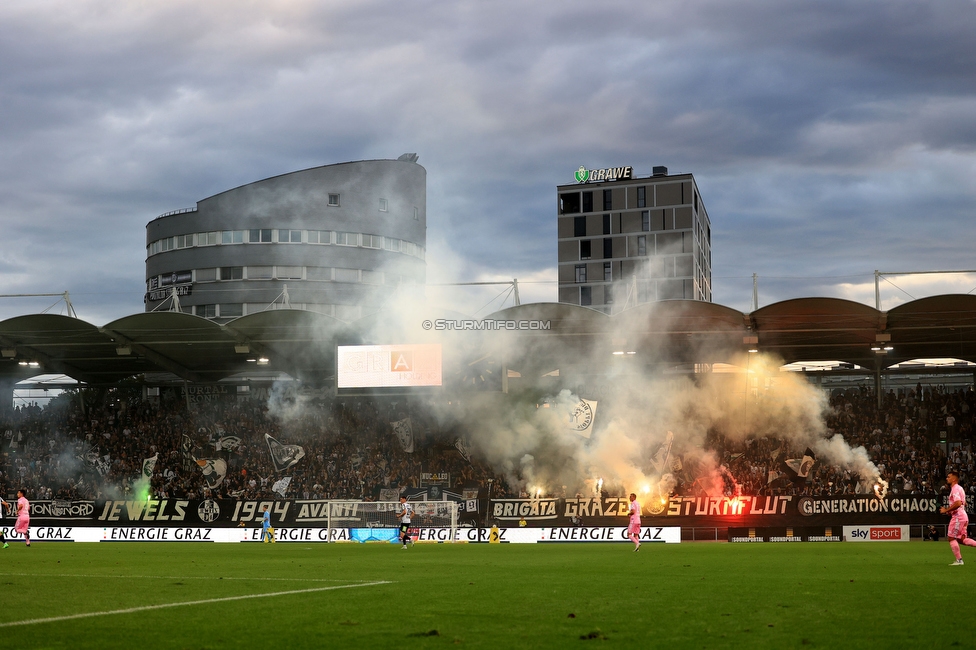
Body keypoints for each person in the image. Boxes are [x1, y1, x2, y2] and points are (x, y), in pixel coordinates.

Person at [939, 471, 976, 565]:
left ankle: (959, 560)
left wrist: (946, 510)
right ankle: (959, 560)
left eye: (948, 477)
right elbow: (964, 502)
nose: (947, 478)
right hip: (963, 516)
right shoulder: (960, 488)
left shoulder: (955, 489)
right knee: (962, 539)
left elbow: (959, 502)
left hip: (958, 517)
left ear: (954, 479)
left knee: (951, 538)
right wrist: (951, 511)